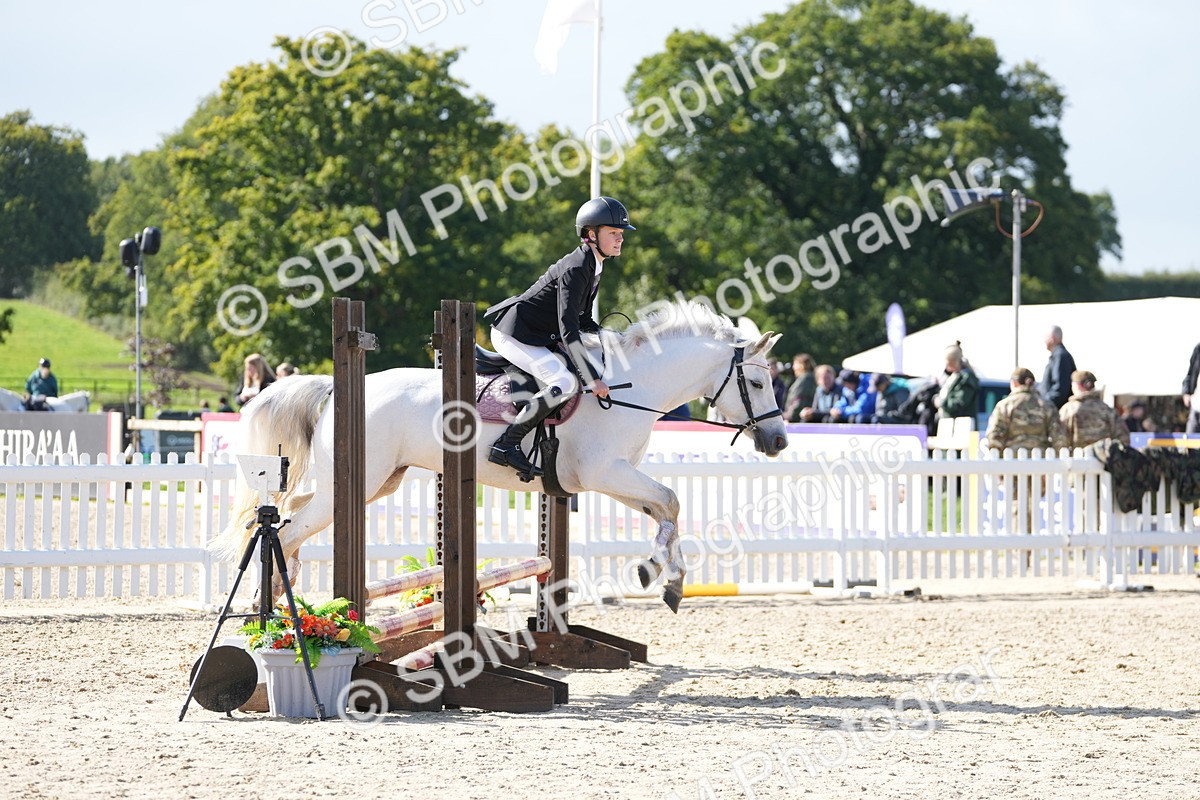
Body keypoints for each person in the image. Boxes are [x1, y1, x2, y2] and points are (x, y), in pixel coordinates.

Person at [483, 196, 634, 476]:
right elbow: (569, 329)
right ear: (591, 234)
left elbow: (583, 319)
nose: (619, 239)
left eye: (621, 234)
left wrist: (614, 338)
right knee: (563, 381)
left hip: (537, 334)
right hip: (515, 334)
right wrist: (592, 379)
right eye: (613, 233)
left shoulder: (594, 265)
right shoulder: (577, 267)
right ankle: (506, 445)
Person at [984, 368, 1066, 453]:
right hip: (1041, 460)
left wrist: (998, 456)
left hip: (1011, 459)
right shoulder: (1047, 406)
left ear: (1014, 383)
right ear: (1033, 383)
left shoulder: (1004, 405)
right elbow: (1059, 438)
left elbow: (994, 435)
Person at [1059, 370, 1129, 450]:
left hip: (1077, 459)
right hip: (1104, 459)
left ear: (1077, 385)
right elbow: (1123, 437)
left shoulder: (1069, 409)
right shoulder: (1107, 410)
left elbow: (1060, 438)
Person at [934, 342, 979, 427]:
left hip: (962, 426)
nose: (945, 364)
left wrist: (941, 403)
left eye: (947, 360)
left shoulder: (966, 378)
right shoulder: (953, 376)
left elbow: (960, 403)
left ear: (953, 361)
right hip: (949, 424)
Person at [1039, 325, 1076, 409]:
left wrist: (1044, 404)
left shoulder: (1060, 356)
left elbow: (1060, 389)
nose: (1044, 340)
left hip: (1054, 411)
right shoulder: (1058, 355)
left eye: (1046, 337)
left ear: (1052, 338)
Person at [783, 354, 816, 422]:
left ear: (802, 365)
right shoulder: (803, 378)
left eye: (795, 364)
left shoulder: (807, 379)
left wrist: (790, 416)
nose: (793, 367)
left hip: (798, 418)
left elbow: (800, 400)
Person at [1183, 341, 1200, 434]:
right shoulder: (1198, 349)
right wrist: (1186, 392)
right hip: (1196, 404)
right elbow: (1190, 373)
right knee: (1191, 440)